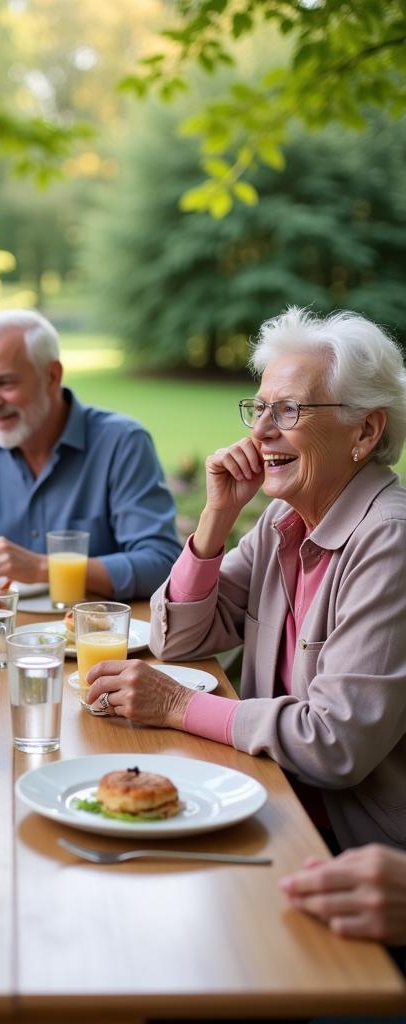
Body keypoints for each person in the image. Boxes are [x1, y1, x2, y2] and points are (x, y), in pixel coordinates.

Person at [85, 307, 406, 854]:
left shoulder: (389, 540)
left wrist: (177, 706)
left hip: (355, 851)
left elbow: (333, 745)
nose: (260, 432)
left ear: (366, 430)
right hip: (268, 799)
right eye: (258, 409)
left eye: (288, 409)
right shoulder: (285, 521)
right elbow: (178, 639)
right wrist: (216, 519)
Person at [0, 309, 181, 600]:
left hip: (92, 637)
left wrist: (45, 567)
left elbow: (161, 563)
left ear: (52, 376)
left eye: (5, 383)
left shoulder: (122, 443)